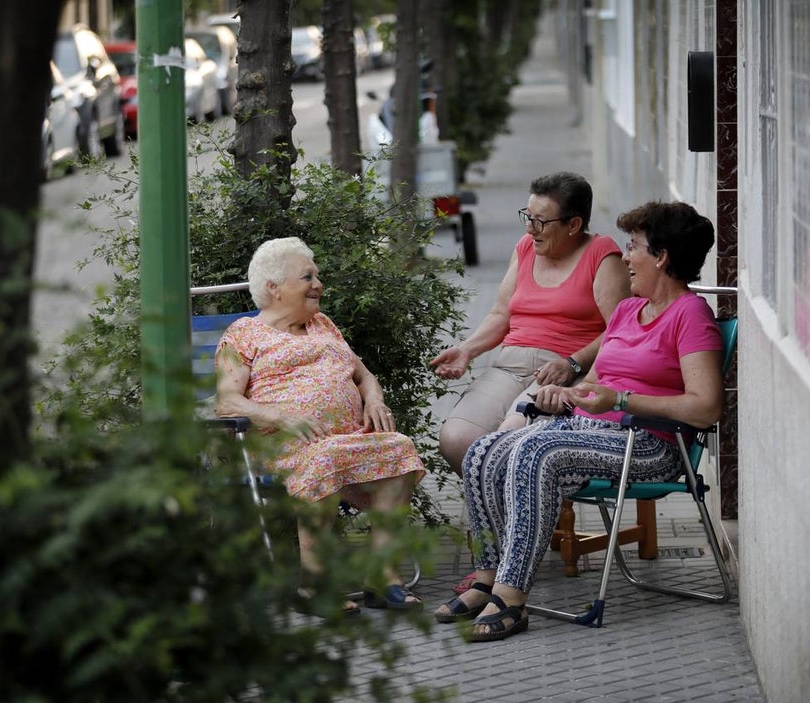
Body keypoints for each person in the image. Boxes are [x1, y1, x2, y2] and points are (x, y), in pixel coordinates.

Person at [433, 201, 725, 641]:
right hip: (589, 431)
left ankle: (511, 598)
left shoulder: (690, 315)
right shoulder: (628, 311)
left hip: (649, 444)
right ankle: (487, 577)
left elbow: (706, 408)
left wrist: (622, 399)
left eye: (634, 246)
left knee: (535, 451)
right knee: (483, 451)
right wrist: (568, 395)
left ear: (662, 256)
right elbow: (593, 383)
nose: (626, 256)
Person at [215, 237, 425, 613]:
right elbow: (227, 401)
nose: (318, 284)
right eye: (307, 277)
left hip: (344, 440)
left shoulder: (323, 325)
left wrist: (374, 399)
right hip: (283, 445)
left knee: (400, 448)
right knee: (325, 455)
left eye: (317, 276)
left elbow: (364, 375)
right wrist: (281, 415)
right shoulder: (242, 334)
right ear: (274, 288)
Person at [430, 171, 630, 475]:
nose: (529, 227)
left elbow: (621, 330)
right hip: (510, 366)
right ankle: (504, 504)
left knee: (508, 442)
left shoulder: (602, 256)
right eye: (528, 216)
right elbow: (500, 314)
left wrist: (573, 363)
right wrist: (467, 350)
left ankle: (525, 505)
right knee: (457, 440)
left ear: (573, 225)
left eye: (540, 221)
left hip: (564, 371)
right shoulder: (525, 247)